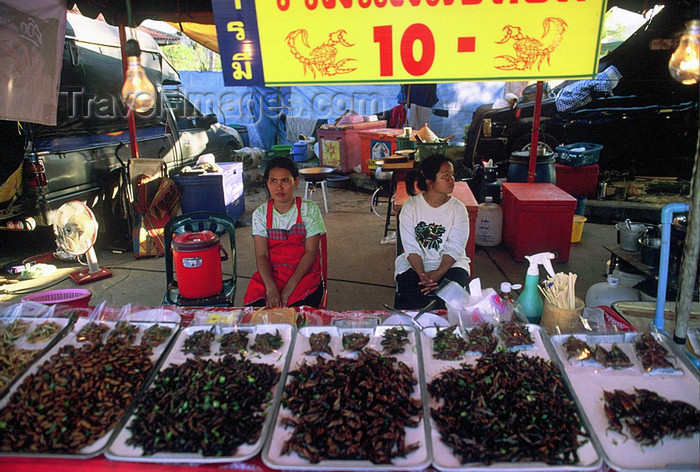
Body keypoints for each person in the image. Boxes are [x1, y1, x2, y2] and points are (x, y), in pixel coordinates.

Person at [243, 156, 326, 307]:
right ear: (267, 183)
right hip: (272, 275)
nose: (279, 187)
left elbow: (311, 251)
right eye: (273, 181)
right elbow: (261, 255)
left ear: (296, 182)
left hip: (303, 276)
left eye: (285, 180)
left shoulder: (309, 209)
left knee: (297, 314)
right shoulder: (260, 214)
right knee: (255, 313)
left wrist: (288, 289)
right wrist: (271, 288)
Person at [395, 154, 470, 309]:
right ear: (430, 181)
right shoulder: (411, 207)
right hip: (415, 265)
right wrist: (423, 274)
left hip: (451, 265)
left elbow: (455, 247)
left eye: (452, 175)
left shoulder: (458, 209)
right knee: (411, 295)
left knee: (448, 299)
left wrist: (438, 274)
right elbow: (411, 247)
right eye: (445, 176)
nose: (452, 180)